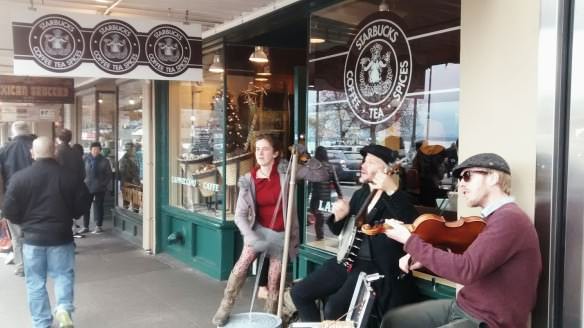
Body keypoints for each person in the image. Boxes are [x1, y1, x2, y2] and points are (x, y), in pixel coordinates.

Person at [382, 153, 542, 328]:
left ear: (493, 178)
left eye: (467, 176)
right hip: (465, 307)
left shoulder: (509, 219)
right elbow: (472, 263)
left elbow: (466, 270)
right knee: (394, 320)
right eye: (459, 179)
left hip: (489, 321)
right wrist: (424, 259)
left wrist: (409, 240)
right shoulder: (494, 218)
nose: (460, 184)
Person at [290, 144, 419, 324]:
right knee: (299, 293)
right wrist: (338, 216)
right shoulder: (362, 194)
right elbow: (339, 230)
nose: (363, 165)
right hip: (349, 261)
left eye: (371, 162)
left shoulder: (398, 199)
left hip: (373, 268)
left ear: (386, 170)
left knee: (334, 308)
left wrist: (392, 191)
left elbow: (414, 225)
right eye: (364, 161)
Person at [2, 137, 91, 328]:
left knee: (35, 282)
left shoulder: (19, 178)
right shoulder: (70, 176)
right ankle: (63, 309)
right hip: (61, 237)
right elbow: (83, 203)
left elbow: (8, 210)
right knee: (63, 275)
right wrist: (72, 215)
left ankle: (42, 323)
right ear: (54, 152)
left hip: (33, 240)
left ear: (32, 153)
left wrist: (25, 222)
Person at [211, 134, 299, 326]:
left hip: (280, 235)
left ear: (275, 153)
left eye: (265, 149)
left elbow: (317, 175)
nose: (260, 152)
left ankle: (271, 317)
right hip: (258, 231)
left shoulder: (286, 173)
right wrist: (251, 237)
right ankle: (226, 305)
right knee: (241, 266)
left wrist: (305, 156)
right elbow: (239, 215)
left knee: (274, 280)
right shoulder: (248, 180)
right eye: (257, 149)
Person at [0, 121, 34, 276]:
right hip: (35, 196)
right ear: (28, 131)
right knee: (34, 231)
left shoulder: (5, 149)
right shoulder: (36, 146)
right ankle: (36, 264)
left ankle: (21, 266)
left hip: (12, 195)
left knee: (16, 234)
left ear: (14, 132)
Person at [80, 142, 112, 234]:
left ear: (100, 150)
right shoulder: (85, 159)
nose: (95, 151)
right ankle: (85, 226)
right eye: (94, 149)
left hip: (100, 187)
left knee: (99, 206)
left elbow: (108, 174)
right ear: (90, 150)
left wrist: (103, 184)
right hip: (87, 186)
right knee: (86, 207)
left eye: (97, 149)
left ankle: (99, 226)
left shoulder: (104, 160)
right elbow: (81, 171)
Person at [118, 142, 141, 211]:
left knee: (136, 205)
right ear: (129, 150)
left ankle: (135, 212)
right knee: (126, 204)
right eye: (133, 149)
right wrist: (133, 179)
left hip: (136, 185)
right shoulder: (123, 160)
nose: (134, 150)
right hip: (127, 184)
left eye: (134, 149)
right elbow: (123, 173)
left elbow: (137, 170)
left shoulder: (135, 158)